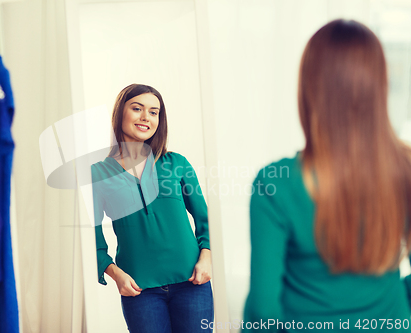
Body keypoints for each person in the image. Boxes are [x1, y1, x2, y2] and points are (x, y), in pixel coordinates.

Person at [244, 19, 411, 332]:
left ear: (309, 90)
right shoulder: (406, 168)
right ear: (378, 88)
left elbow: (262, 312)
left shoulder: (274, 182)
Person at [92, 84, 214, 333]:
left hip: (192, 283)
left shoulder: (177, 163)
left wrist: (207, 258)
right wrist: (116, 274)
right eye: (137, 108)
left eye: (154, 112)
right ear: (120, 114)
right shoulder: (98, 173)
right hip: (139, 290)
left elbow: (205, 218)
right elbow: (91, 237)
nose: (146, 117)